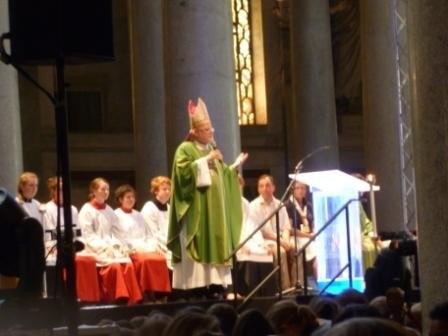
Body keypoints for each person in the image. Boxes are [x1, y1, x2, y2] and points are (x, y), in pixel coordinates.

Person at [167, 97, 248, 295]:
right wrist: (204, 161)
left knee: (217, 244)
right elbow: (182, 175)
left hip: (215, 215)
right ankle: (195, 289)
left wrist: (234, 168)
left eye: (211, 129)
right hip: (197, 211)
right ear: (194, 132)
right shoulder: (185, 149)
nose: (211, 132)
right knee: (198, 247)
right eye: (206, 130)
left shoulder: (212, 149)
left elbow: (221, 175)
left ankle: (215, 286)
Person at [78, 177, 142, 304]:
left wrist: (122, 246)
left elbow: (119, 231)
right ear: (94, 191)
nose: (106, 191)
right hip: (94, 249)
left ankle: (132, 300)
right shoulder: (86, 210)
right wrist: (105, 247)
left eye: (107, 189)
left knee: (128, 263)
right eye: (103, 189)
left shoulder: (109, 210)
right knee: (115, 266)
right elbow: (87, 235)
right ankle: (116, 298)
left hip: (110, 247)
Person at [42, 176, 100, 302]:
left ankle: (89, 298)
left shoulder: (72, 209)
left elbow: (78, 233)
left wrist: (77, 243)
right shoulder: (47, 209)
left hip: (72, 247)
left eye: (65, 190)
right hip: (55, 249)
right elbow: (49, 235)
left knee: (88, 260)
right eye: (61, 190)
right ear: (53, 191)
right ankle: (69, 296)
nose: (64, 193)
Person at [114, 184, 171, 298]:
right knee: (146, 261)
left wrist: (154, 247)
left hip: (144, 246)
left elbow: (148, 235)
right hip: (130, 249)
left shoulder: (138, 215)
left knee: (161, 259)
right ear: (120, 199)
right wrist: (133, 248)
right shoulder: (116, 215)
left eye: (133, 197)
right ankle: (146, 292)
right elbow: (119, 237)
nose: (131, 200)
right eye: (128, 197)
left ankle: (160, 294)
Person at [234, 175, 276, 297]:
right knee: (247, 254)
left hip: (248, 237)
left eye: (239, 185)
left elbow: (253, 226)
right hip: (235, 240)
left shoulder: (245, 203)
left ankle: (267, 294)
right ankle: (248, 292)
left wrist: (262, 244)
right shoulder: (225, 203)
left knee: (264, 253)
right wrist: (241, 244)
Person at [248, 174, 291, 290]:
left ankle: (299, 285)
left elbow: (286, 227)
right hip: (264, 240)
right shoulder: (253, 206)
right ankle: (283, 288)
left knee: (297, 249)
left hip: (280, 238)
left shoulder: (280, 204)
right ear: (258, 189)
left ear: (273, 187)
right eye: (261, 186)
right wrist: (281, 241)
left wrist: (286, 240)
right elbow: (261, 231)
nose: (264, 189)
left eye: (267, 185)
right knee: (280, 252)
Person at [285, 181, 317, 288]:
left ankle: (319, 285)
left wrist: (315, 231)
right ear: (292, 190)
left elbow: (313, 223)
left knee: (320, 255)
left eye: (303, 188)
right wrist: (308, 236)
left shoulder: (309, 205)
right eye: (297, 188)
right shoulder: (288, 206)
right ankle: (298, 286)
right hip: (295, 236)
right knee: (299, 250)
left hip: (310, 236)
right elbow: (289, 228)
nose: (300, 191)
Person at [141, 176, 172, 268]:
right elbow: (152, 234)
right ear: (155, 191)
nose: (168, 192)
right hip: (155, 244)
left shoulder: (169, 208)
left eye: (169, 189)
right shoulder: (149, 208)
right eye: (164, 189)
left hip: (168, 243)